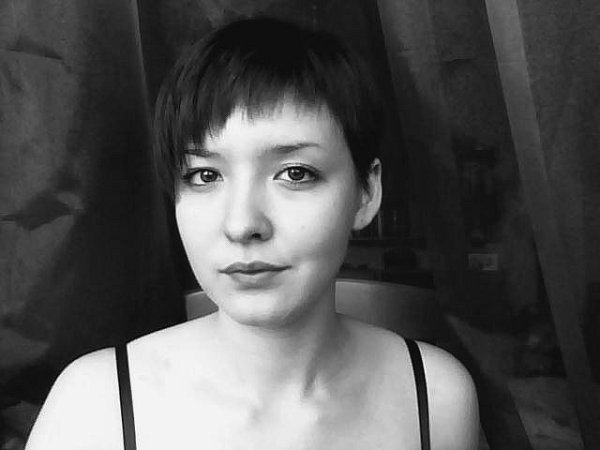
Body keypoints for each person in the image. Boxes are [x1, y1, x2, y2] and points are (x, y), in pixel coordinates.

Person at [25, 17, 479, 449]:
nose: (242, 224)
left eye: (295, 173)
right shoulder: (94, 406)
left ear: (366, 192)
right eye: (204, 176)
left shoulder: (435, 397)